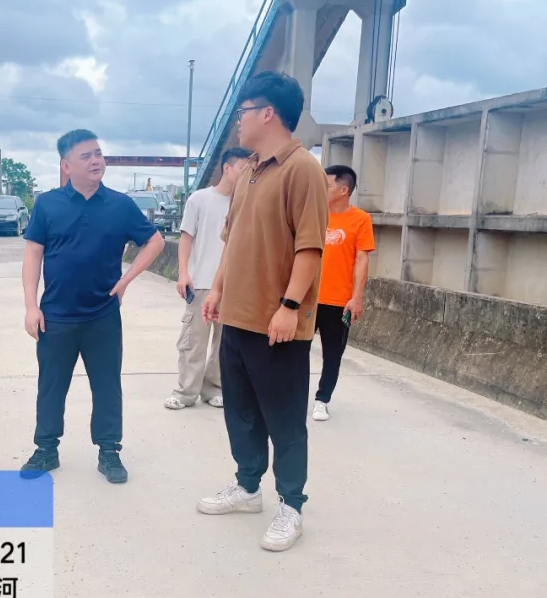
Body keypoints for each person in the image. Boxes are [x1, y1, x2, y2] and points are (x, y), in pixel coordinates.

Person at [196, 71, 329, 552]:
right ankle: (248, 486)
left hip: (276, 323)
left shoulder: (302, 169)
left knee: (284, 419)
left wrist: (290, 306)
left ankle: (291, 505)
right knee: (242, 412)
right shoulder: (249, 171)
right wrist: (217, 289)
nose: (239, 121)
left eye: (244, 112)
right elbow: (232, 240)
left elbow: (310, 248)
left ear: (268, 113)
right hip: (236, 316)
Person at [20, 129, 165, 483]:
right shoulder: (48, 204)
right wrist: (30, 306)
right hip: (55, 316)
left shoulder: (120, 205)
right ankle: (46, 448)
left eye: (98, 153)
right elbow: (33, 254)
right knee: (51, 386)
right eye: (86, 156)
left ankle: (109, 451)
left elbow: (155, 241)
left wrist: (126, 280)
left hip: (102, 315)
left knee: (107, 385)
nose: (96, 161)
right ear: (66, 165)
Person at [165, 146, 251, 410]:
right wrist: (183, 273)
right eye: (243, 168)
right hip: (201, 282)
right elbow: (186, 238)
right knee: (193, 341)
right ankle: (185, 392)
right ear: (227, 168)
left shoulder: (245, 202)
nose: (247, 173)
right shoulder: (199, 199)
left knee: (224, 344)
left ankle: (214, 389)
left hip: (232, 286)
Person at [312, 164, 375, 422]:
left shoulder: (360, 220)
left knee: (332, 354)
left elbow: (361, 260)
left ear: (343, 190)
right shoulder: (314, 215)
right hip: (307, 298)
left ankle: (322, 400)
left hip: (338, 301)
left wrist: (356, 297)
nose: (321, 190)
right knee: (293, 351)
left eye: (326, 186)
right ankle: (289, 397)